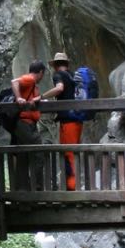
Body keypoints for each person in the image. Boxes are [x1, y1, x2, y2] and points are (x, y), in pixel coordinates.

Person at [46, 50, 84, 190]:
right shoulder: (73, 75)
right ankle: (73, 185)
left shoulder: (59, 75)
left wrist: (43, 96)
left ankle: (72, 188)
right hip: (78, 119)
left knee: (69, 153)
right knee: (74, 152)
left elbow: (59, 88)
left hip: (68, 122)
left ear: (56, 65)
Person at [10, 60, 46, 191]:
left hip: (25, 124)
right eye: (43, 74)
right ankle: (36, 187)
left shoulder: (32, 84)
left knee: (23, 156)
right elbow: (14, 82)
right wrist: (19, 98)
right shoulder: (30, 79)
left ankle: (23, 188)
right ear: (40, 72)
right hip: (26, 124)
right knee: (39, 154)